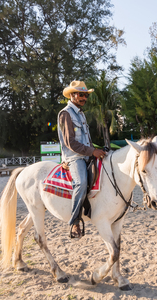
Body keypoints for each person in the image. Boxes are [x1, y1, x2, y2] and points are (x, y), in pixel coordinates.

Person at [58, 81, 106, 239]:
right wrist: (93, 151)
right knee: (81, 183)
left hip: (87, 154)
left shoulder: (81, 113)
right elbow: (70, 143)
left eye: (86, 95)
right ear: (72, 95)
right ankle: (74, 222)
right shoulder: (66, 113)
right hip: (74, 157)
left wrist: (97, 150)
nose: (84, 98)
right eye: (81, 94)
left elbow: (86, 139)